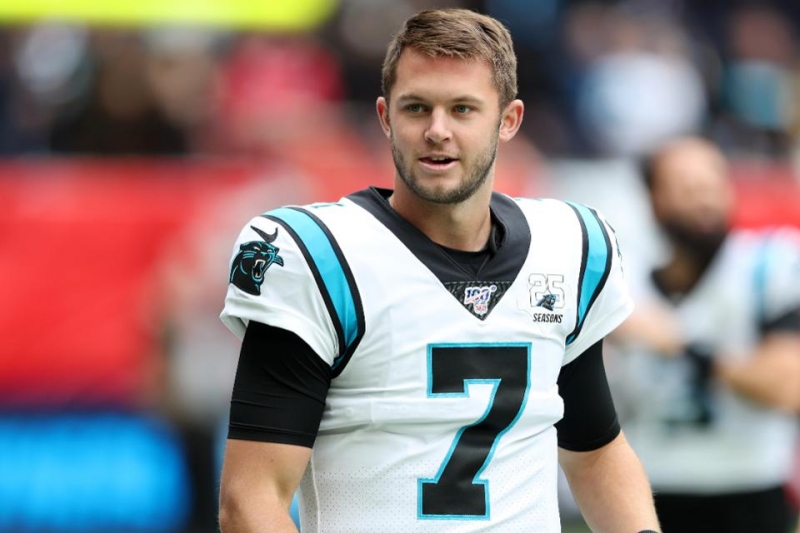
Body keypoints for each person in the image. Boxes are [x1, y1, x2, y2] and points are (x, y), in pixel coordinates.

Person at [217, 8, 660, 532]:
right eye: (417, 108)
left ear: (509, 120)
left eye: (463, 109)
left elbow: (596, 451)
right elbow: (251, 498)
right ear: (385, 117)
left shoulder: (566, 248)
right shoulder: (320, 257)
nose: (437, 130)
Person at [608, 136, 800, 533]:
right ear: (653, 199)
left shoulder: (769, 265)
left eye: (712, 185)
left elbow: (788, 386)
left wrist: (685, 346)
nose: (704, 200)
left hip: (748, 487)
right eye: (687, 188)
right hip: (649, 487)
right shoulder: (622, 281)